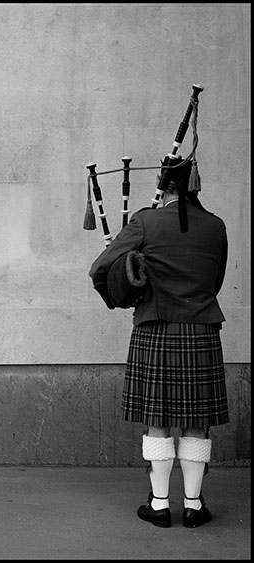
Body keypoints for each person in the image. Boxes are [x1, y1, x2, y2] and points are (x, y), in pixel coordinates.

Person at [88, 157, 229, 529]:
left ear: (163, 185)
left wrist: (123, 293)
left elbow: (100, 268)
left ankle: (160, 504)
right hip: (201, 330)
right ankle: (195, 506)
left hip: (155, 328)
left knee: (158, 421)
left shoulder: (145, 221)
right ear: (194, 186)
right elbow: (215, 279)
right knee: (197, 422)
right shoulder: (216, 226)